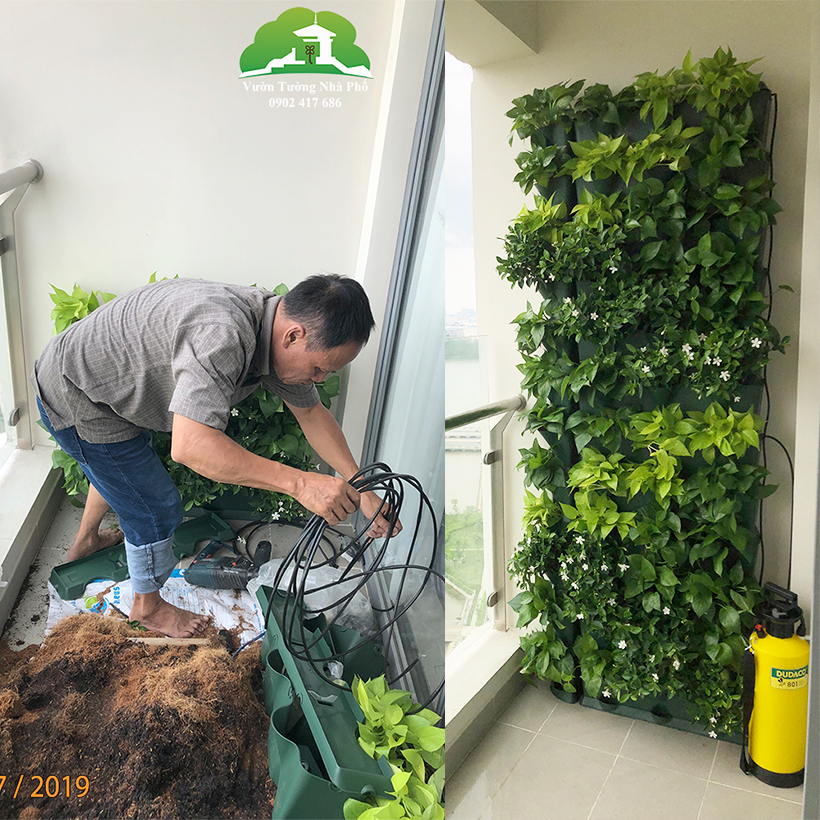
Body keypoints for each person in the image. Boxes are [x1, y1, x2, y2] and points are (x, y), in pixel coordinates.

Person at [32, 275, 400, 638]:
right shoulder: (223, 335)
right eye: (318, 368)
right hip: (74, 393)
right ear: (293, 336)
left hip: (106, 385)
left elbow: (310, 413)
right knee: (154, 506)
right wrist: (301, 484)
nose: (319, 379)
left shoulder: (272, 326)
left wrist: (361, 485)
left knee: (120, 472)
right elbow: (191, 446)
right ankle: (148, 608)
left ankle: (87, 541)